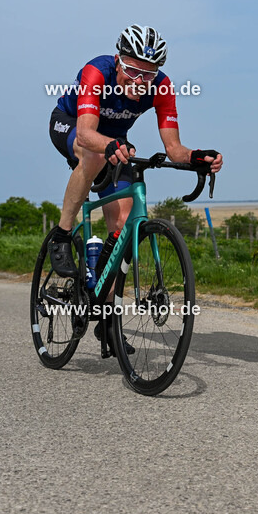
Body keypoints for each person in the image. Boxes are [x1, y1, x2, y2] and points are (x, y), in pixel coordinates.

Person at [47, 24, 222, 354]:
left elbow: (174, 149)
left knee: (124, 226)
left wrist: (197, 157)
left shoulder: (162, 87)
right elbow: (85, 133)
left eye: (149, 73)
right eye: (132, 71)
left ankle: (107, 319)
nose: (140, 81)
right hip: (70, 125)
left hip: (115, 141)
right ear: (118, 61)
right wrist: (108, 145)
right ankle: (62, 234)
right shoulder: (97, 72)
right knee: (93, 155)